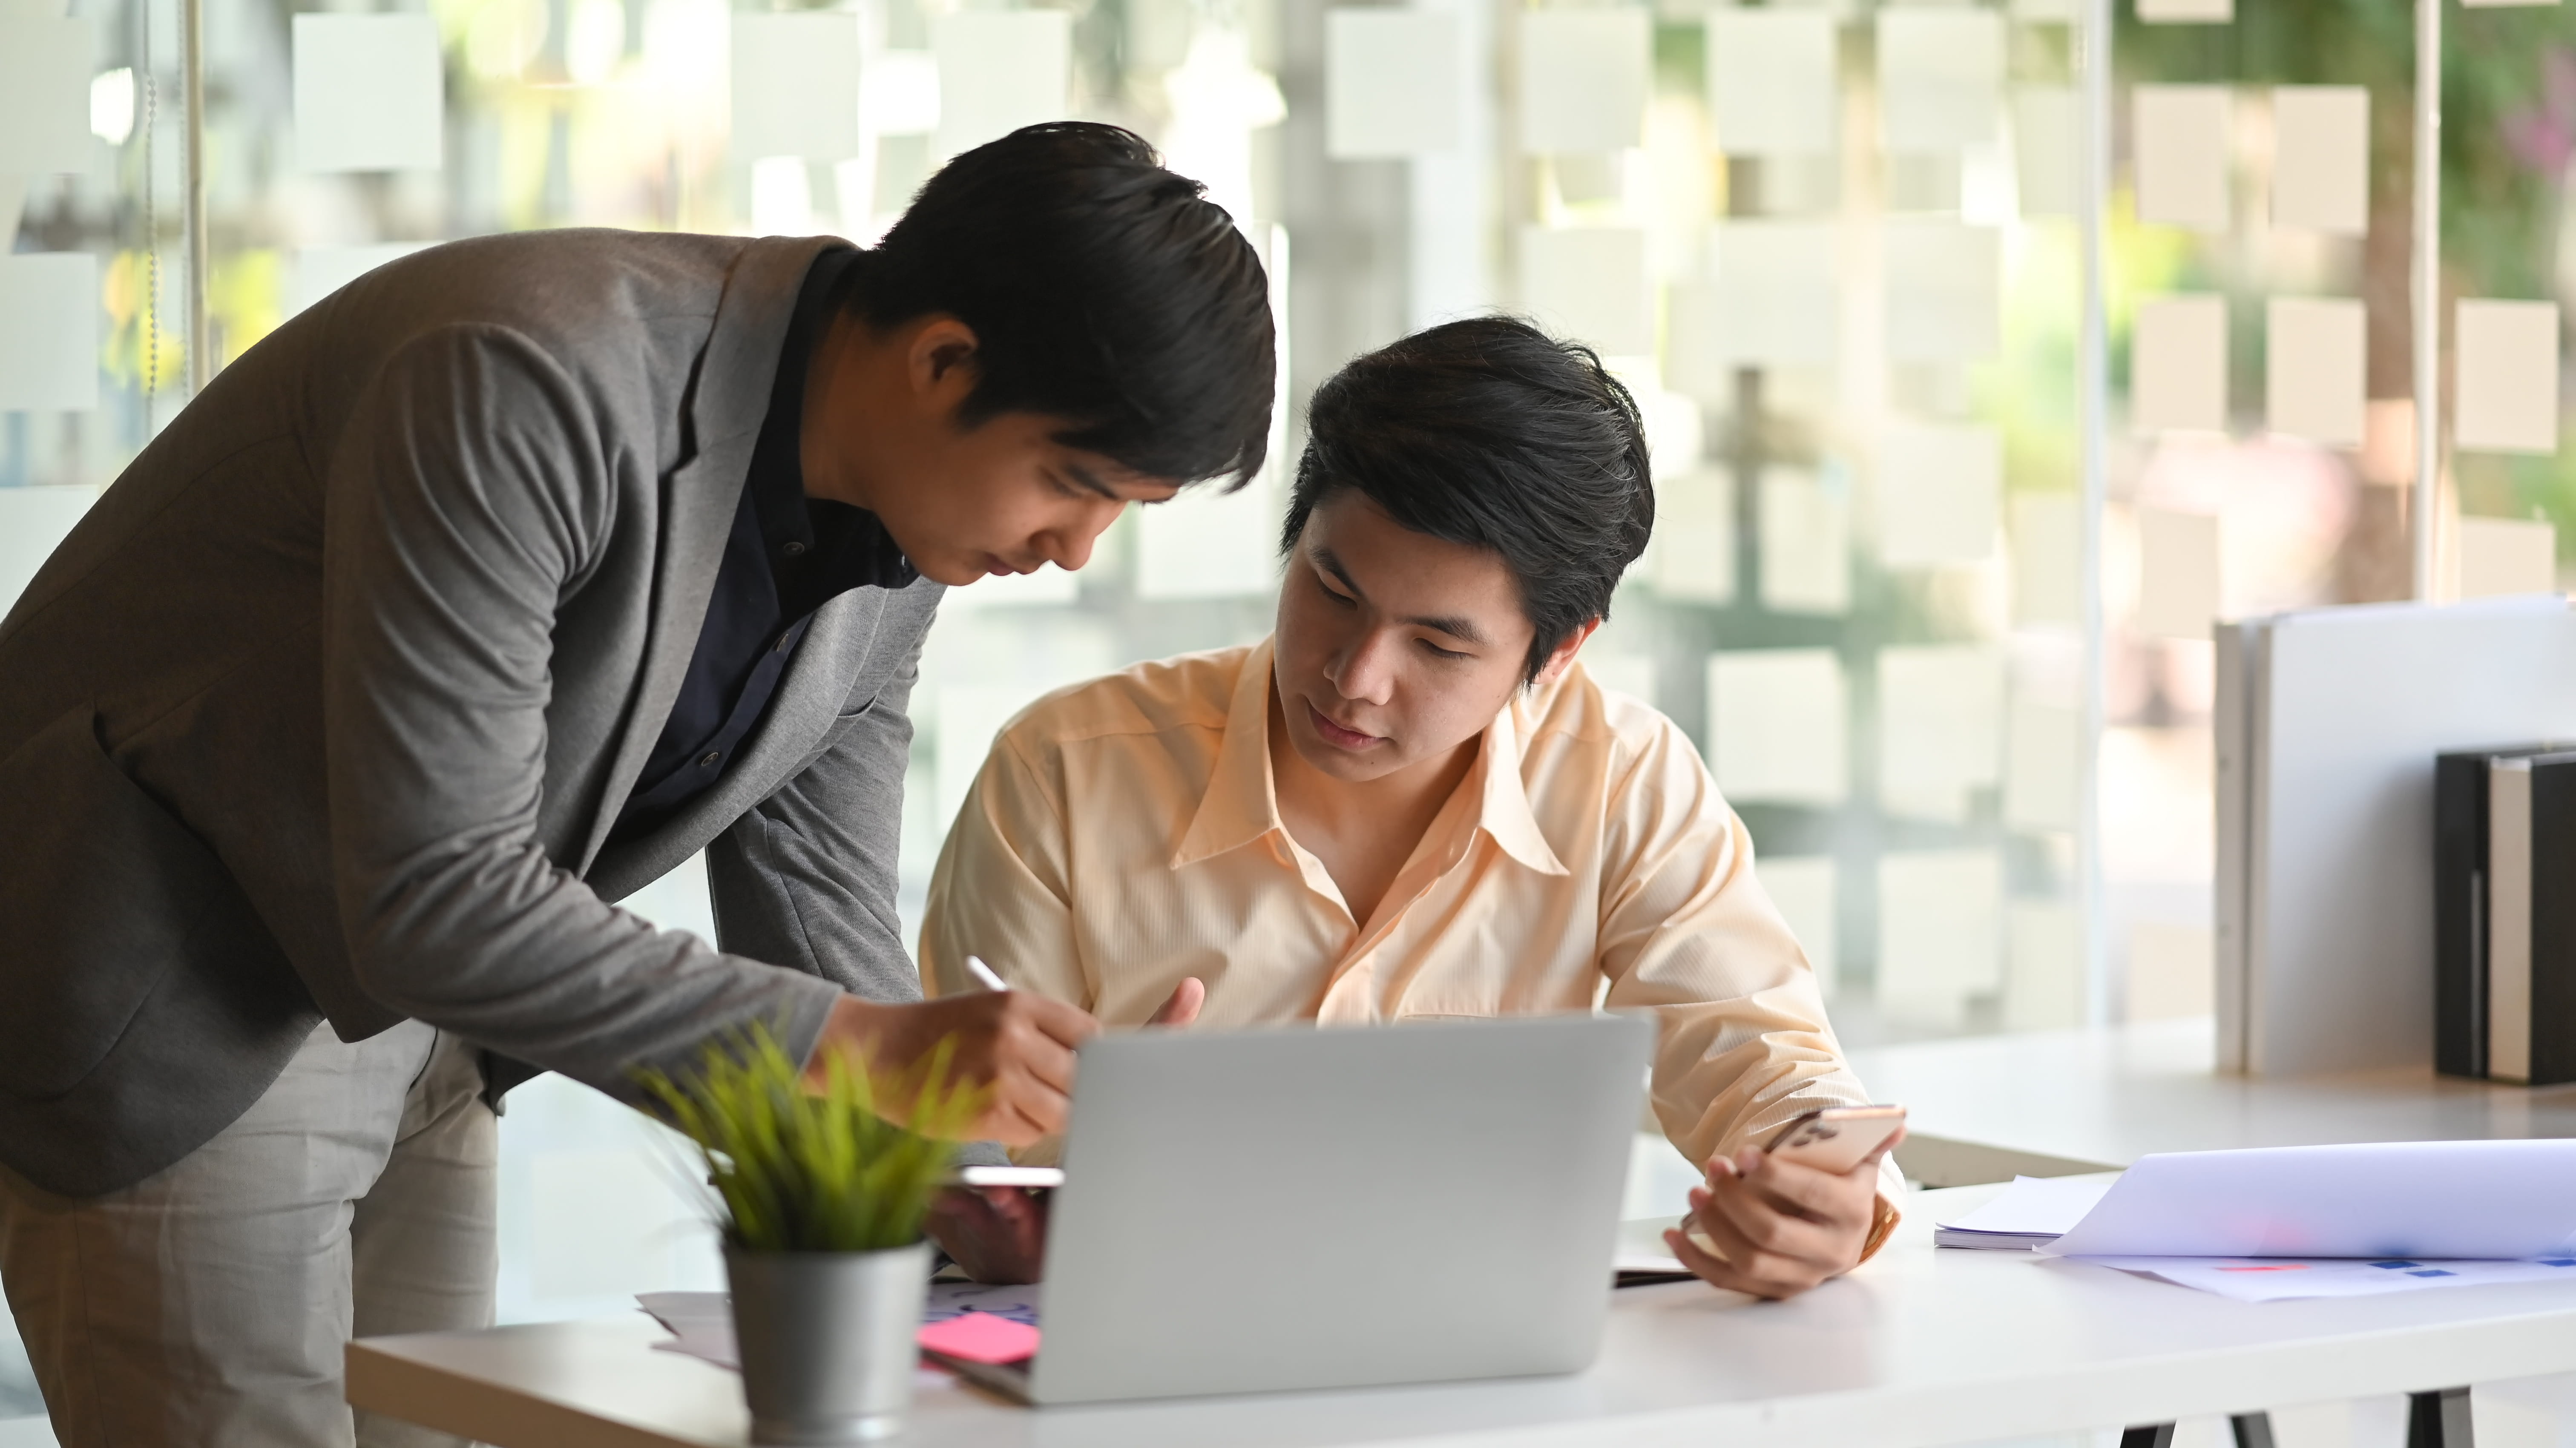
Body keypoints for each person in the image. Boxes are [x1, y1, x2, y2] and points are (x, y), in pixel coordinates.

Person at [0, 123, 1264, 1448]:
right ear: (942, 360)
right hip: (187, 985)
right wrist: (867, 1054)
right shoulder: (526, 375)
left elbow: (819, 910)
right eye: (1072, 483)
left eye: (1123, 511)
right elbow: (436, 900)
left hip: (438, 1023)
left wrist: (985, 1196)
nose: (1075, 550)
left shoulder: (906, 533)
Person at [918, 316, 1902, 1300]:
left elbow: (1761, 1056)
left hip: (1482, 1347)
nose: (1356, 677)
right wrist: (1042, 1181)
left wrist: (1823, 1191)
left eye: (1438, 646)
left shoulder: (1622, 779)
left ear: (1560, 650)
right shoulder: (1064, 771)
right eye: (1332, 590)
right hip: (1125, 1332)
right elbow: (945, 1150)